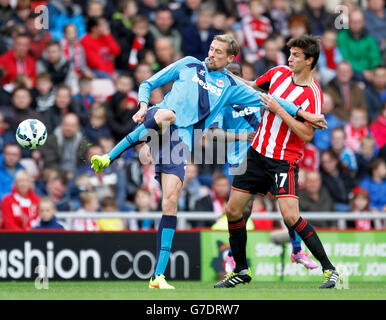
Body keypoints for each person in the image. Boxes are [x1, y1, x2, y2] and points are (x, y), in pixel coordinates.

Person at [90, 34, 326, 289]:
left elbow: (271, 101)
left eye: (217, 52)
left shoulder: (229, 88)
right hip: (158, 118)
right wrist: (142, 106)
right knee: (167, 114)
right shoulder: (189, 63)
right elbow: (148, 83)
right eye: (211, 49)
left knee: (170, 202)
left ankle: (157, 277)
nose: (211, 54)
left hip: (180, 145)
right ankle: (109, 156)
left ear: (230, 58)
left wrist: (303, 113)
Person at [213, 35, 339, 289]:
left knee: (291, 217)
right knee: (233, 210)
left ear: (310, 61)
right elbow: (250, 86)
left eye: (295, 55)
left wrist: (280, 110)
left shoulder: (313, 95)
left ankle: (330, 270)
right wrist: (223, 74)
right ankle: (240, 270)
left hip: (284, 161)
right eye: (289, 53)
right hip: (257, 153)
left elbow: (306, 134)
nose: (289, 59)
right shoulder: (278, 73)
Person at [208, 60, 318, 272]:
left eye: (236, 75)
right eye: (228, 76)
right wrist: (241, 136)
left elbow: (280, 107)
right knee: (243, 209)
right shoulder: (220, 103)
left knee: (285, 203)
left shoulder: (255, 96)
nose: (231, 80)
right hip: (241, 159)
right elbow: (211, 134)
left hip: (269, 155)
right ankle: (233, 255)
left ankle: (297, 250)